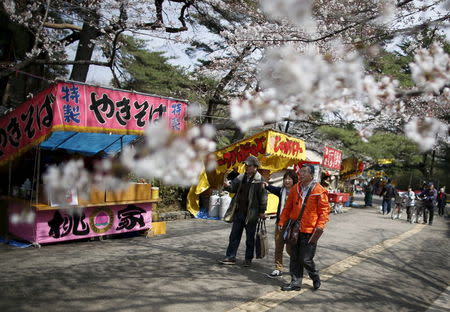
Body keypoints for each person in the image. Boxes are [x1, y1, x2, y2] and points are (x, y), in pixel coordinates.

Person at [278, 164, 330, 291]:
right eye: (300, 172)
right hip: (295, 228)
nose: (301, 174)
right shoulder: (296, 188)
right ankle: (295, 282)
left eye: (304, 172)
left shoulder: (319, 190)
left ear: (311, 175)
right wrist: (281, 222)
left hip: (310, 230)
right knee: (294, 257)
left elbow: (324, 211)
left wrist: (320, 226)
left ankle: (315, 276)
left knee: (306, 259)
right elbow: (288, 207)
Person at [220, 155, 268, 267]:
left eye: (248, 165)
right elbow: (233, 188)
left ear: (255, 167)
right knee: (234, 236)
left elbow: (263, 197)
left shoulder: (259, 180)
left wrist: (262, 211)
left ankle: (248, 259)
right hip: (239, 212)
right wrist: (227, 186)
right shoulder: (241, 177)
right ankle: (230, 257)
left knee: (250, 238)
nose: (246, 167)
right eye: (245, 165)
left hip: (251, 215)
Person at [263, 169, 298, 278]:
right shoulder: (281, 191)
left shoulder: (298, 192)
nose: (287, 181)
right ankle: (278, 268)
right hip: (280, 223)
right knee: (278, 246)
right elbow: (272, 188)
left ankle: (297, 265)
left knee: (289, 248)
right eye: (285, 179)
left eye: (289, 179)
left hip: (292, 224)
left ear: (294, 180)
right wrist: (266, 185)